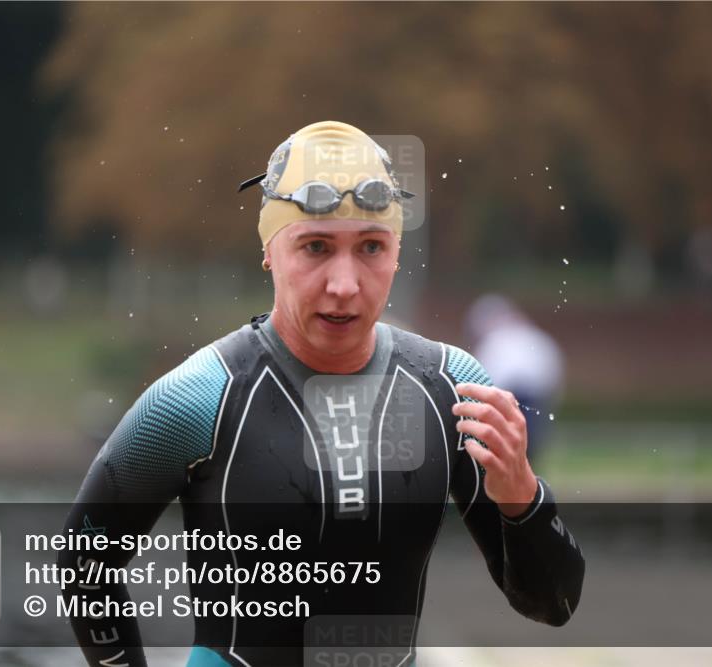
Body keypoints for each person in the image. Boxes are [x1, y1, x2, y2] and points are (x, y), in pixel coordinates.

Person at [59, 121, 584, 667]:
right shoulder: (197, 399)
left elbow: (555, 603)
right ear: (270, 251)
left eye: (371, 247)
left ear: (397, 253)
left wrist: (522, 498)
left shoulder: (450, 388)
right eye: (315, 247)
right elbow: (82, 565)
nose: (344, 284)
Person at [465, 294, 565, 465]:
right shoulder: (530, 336)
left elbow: (484, 374)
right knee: (526, 444)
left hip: (514, 396)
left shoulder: (497, 340)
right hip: (532, 396)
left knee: (514, 444)